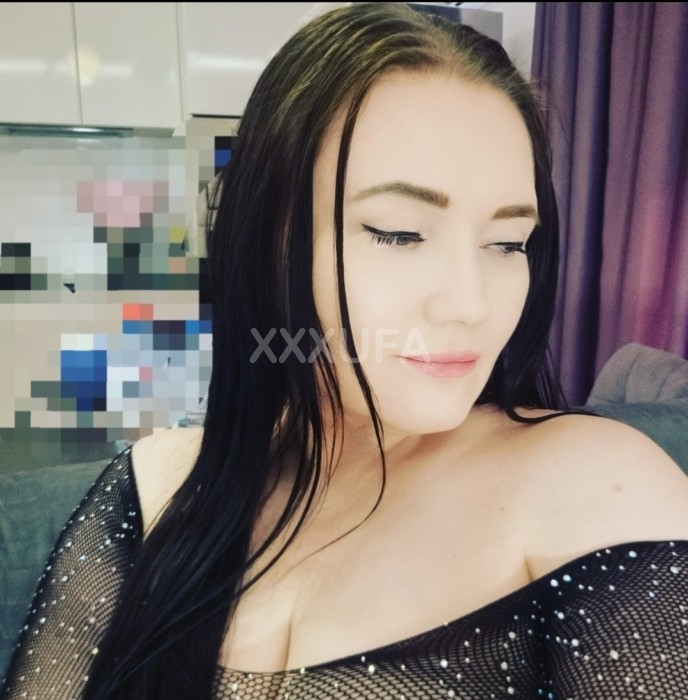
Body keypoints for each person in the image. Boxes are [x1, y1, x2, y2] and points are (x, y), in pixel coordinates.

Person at [3, 3, 688, 698]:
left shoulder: (594, 487)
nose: (472, 304)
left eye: (508, 243)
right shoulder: (155, 485)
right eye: (398, 233)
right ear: (266, 239)